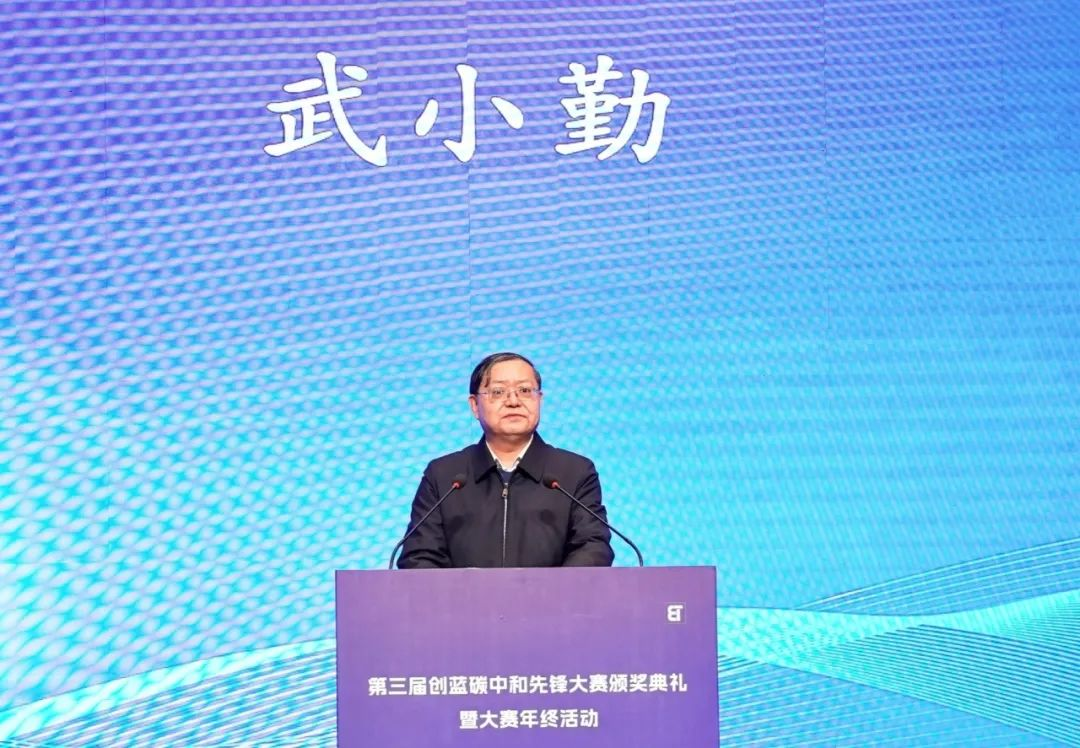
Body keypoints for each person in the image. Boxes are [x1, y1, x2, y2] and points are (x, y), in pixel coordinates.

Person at [397, 352, 614, 568]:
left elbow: (592, 547)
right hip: (461, 593)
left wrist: (552, 589)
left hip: (555, 592)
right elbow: (420, 557)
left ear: (539, 399)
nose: (513, 401)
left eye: (525, 390)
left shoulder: (574, 472)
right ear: (474, 405)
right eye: (498, 392)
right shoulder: (444, 476)